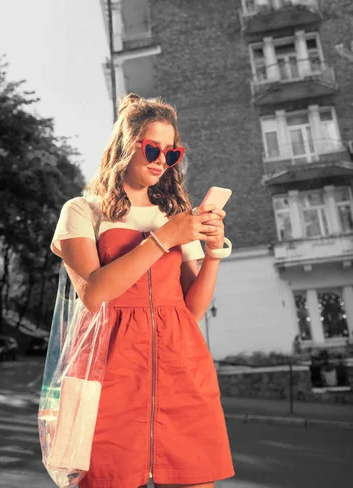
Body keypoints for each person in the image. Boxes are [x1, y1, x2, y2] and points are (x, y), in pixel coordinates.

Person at [50, 93, 235, 488]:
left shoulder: (175, 216)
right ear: (125, 144)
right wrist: (163, 239)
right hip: (106, 375)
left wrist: (214, 253)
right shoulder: (82, 211)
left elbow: (193, 310)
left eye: (171, 153)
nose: (161, 160)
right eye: (153, 147)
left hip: (183, 369)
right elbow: (95, 294)